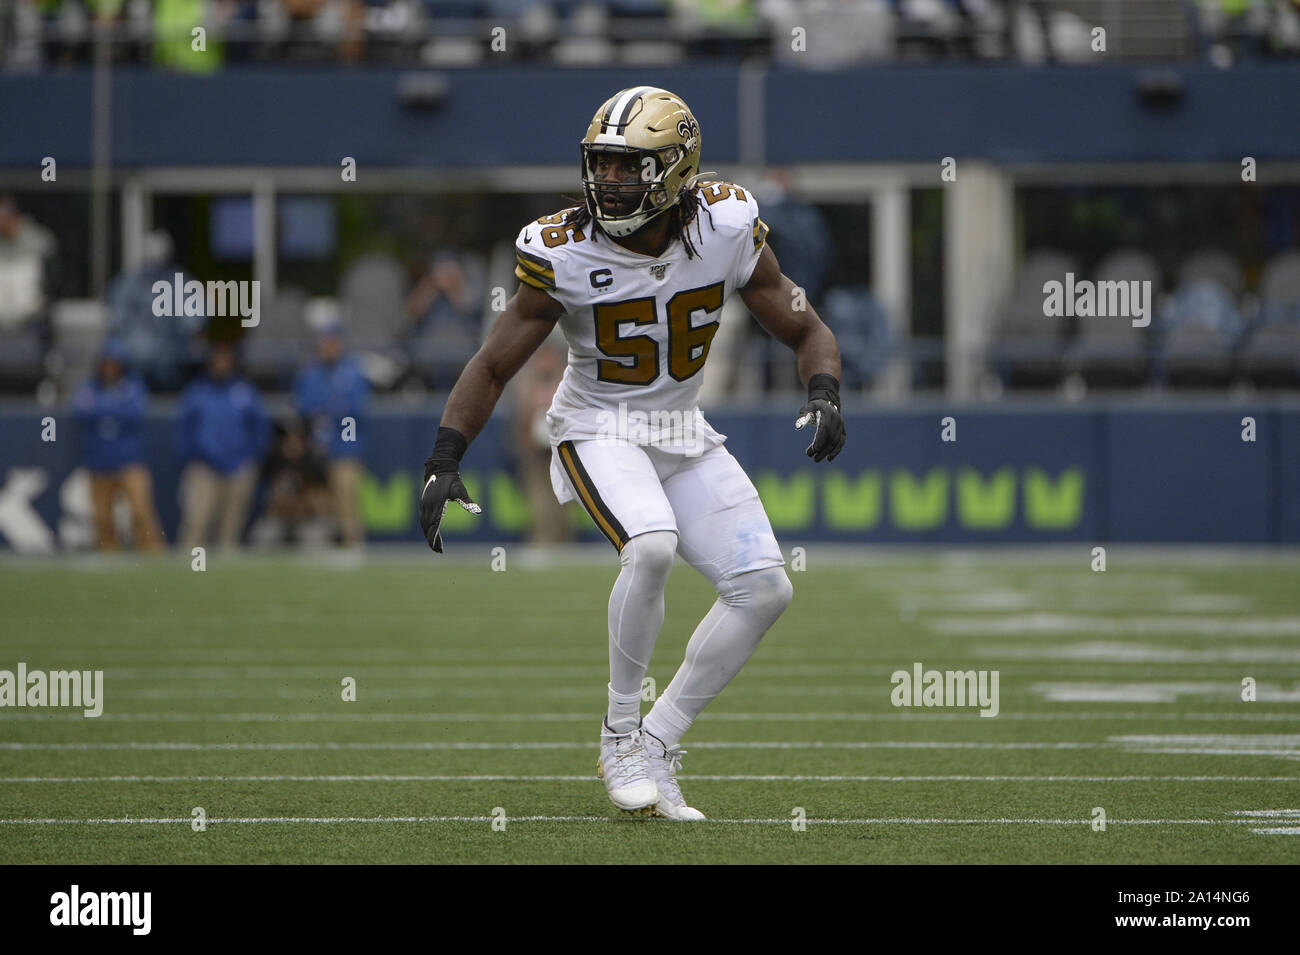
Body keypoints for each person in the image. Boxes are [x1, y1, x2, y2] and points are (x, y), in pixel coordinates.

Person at [417, 87, 846, 820]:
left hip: (681, 430)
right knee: (649, 547)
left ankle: (658, 739)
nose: (609, 181)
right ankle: (618, 735)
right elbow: (492, 365)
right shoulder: (564, 248)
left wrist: (826, 388)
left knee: (767, 589)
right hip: (597, 426)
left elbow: (804, 323)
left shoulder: (726, 223)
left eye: (628, 167)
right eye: (602, 165)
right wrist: (445, 454)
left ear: (676, 170)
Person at [175, 341, 270, 550]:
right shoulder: (197, 392)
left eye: (225, 359)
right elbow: (184, 431)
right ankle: (189, 574)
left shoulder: (245, 392)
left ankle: (227, 580)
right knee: (197, 522)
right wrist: (192, 458)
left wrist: (249, 458)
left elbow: (260, 429)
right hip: (204, 468)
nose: (221, 364)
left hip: (238, 468)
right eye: (217, 359)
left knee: (231, 530)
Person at [72, 340, 166, 551]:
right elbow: (79, 411)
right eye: (106, 364)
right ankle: (109, 557)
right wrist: (113, 408)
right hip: (98, 463)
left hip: (129, 461)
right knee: (102, 517)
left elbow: (134, 412)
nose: (110, 369)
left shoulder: (133, 386)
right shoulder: (88, 388)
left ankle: (154, 553)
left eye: (114, 364)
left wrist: (102, 410)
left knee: (141, 512)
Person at [293, 322, 369, 546]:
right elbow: (303, 406)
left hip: (346, 445)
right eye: (325, 342)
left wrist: (327, 409)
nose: (328, 346)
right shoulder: (311, 372)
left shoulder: (352, 370)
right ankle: (324, 546)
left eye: (332, 342)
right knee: (318, 501)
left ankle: (353, 544)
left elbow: (355, 408)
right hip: (315, 449)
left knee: (347, 495)